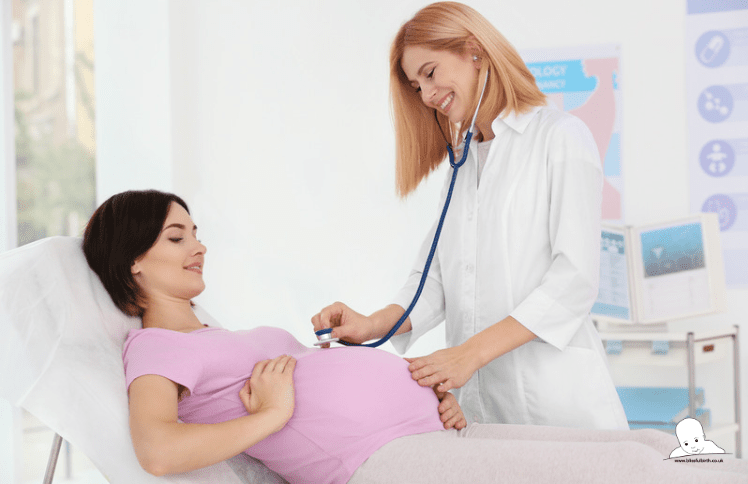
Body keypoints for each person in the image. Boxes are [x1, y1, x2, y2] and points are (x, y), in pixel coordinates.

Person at [83, 190, 748, 484]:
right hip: (380, 462)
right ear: (132, 261)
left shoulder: (223, 333)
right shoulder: (155, 348)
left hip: (431, 430)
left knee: (653, 445)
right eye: (177, 236)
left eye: (195, 231)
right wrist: (277, 413)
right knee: (633, 474)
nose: (199, 246)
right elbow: (160, 453)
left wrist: (424, 398)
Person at [313, 1, 627, 430]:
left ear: (474, 51)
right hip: (480, 411)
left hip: (559, 407)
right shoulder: (463, 163)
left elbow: (573, 281)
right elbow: (436, 281)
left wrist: (468, 354)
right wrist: (370, 325)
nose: (425, 95)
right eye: (415, 85)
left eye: (429, 72)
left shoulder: (560, 137)